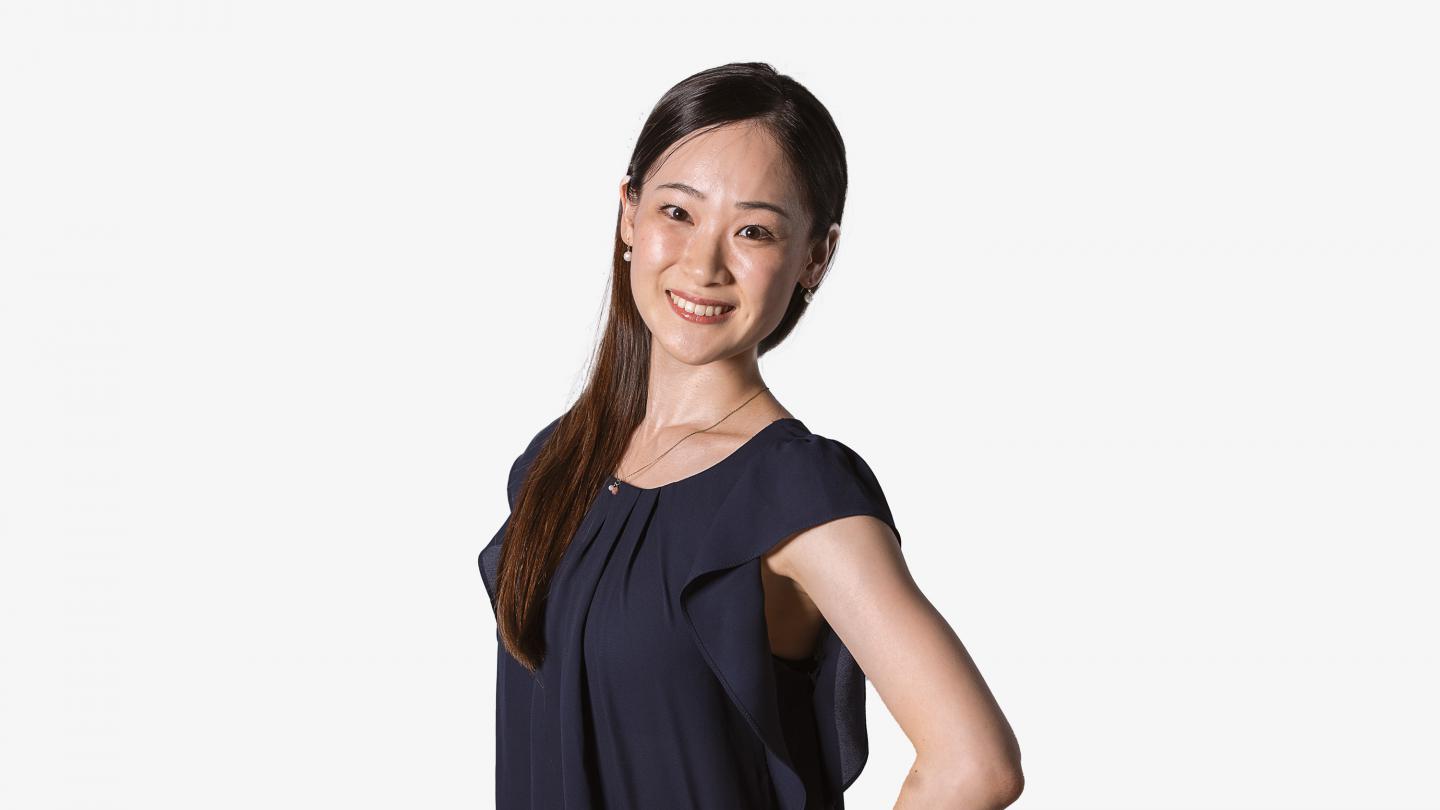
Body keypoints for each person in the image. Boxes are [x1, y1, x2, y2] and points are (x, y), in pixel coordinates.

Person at [479, 62, 1023, 810]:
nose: (703, 264)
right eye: (678, 212)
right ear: (628, 215)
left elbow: (974, 765)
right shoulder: (557, 459)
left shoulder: (796, 492)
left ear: (814, 257)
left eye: (754, 231)